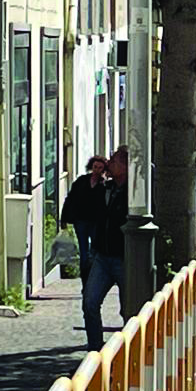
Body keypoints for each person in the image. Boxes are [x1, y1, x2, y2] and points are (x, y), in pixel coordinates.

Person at [82, 146, 129, 352]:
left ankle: (127, 353)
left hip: (124, 258)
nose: (109, 163)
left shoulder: (134, 193)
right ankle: (94, 350)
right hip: (103, 256)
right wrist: (94, 184)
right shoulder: (105, 188)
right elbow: (87, 209)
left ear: (126, 167)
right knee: (90, 303)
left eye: (115, 161)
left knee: (128, 310)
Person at [60, 155, 107, 283]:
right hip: (80, 220)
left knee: (94, 250)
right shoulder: (81, 181)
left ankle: (93, 275)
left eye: (100, 168)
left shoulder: (104, 185)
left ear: (104, 170)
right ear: (91, 166)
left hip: (95, 222)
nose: (97, 170)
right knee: (83, 250)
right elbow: (70, 199)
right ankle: (85, 277)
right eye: (95, 167)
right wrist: (64, 218)